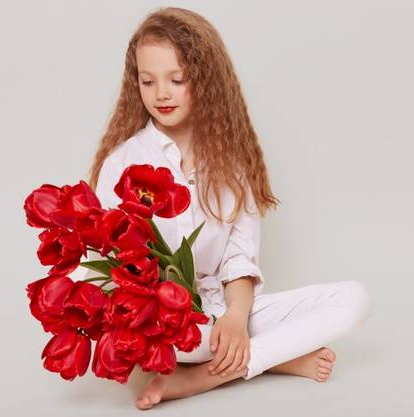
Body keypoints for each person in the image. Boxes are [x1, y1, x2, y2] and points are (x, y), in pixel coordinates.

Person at [73, 6, 372, 410]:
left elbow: (238, 256)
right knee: (173, 342)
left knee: (354, 299)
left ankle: (206, 376)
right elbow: (112, 264)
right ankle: (272, 357)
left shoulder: (230, 164)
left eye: (177, 79)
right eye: (148, 81)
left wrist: (235, 317)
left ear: (206, 79)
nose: (161, 93)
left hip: (226, 309)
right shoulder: (122, 163)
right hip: (167, 324)